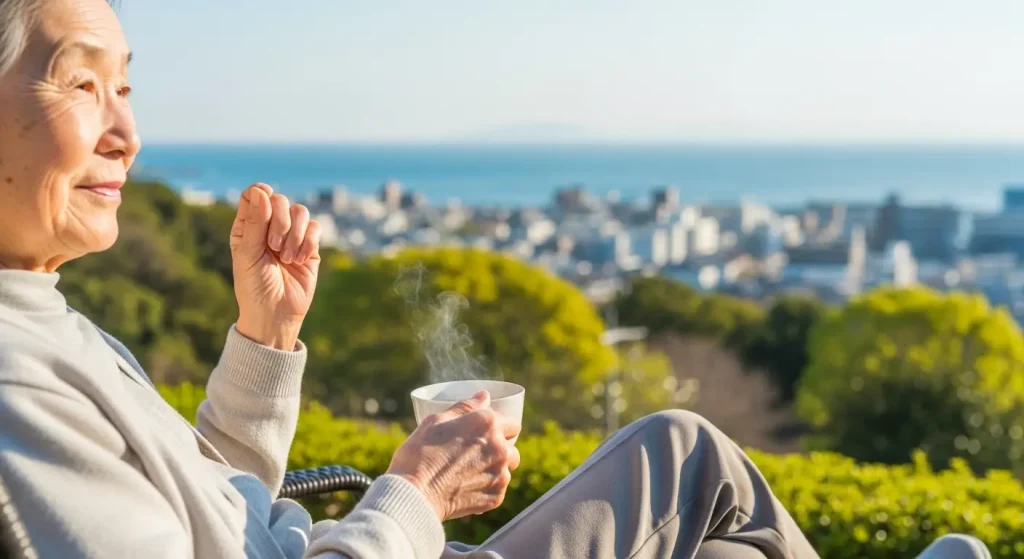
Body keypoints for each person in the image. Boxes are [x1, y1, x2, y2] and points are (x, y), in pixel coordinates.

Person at [0, 1, 992, 558]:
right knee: (681, 452)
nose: (128, 131)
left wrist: (265, 340)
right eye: (82, 82)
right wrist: (414, 494)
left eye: (125, 85)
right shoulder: (16, 386)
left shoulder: (51, 320)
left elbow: (213, 512)